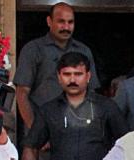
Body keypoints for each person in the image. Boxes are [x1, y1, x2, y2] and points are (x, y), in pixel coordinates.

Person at [14, 2, 101, 133]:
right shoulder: (33, 49)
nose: (66, 27)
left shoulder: (84, 51)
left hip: (77, 129)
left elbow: (92, 93)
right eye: (61, 21)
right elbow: (22, 94)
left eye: (70, 22)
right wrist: (36, 131)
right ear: (49, 21)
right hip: (42, 125)